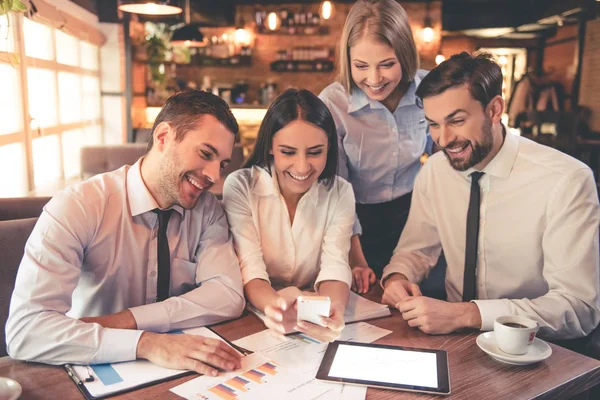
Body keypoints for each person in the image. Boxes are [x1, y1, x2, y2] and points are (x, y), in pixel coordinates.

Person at [6, 90, 246, 376]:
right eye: (206, 154)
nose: (214, 176)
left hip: (180, 368)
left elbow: (228, 295)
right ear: (163, 137)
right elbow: (26, 331)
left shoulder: (207, 211)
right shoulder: (79, 205)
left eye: (222, 164)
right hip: (90, 366)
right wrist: (147, 343)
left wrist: (127, 320)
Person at [381, 52, 600, 340]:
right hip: (452, 339)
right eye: (433, 124)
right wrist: (398, 276)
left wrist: (467, 314)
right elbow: (417, 250)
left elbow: (579, 307)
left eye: (456, 121)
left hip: (538, 347)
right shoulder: (435, 170)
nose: (444, 140)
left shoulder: (567, 180)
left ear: (495, 110)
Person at [319, 0, 437, 294]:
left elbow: (443, 163)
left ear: (405, 56)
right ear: (348, 61)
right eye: (361, 66)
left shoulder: (431, 91)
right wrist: (357, 260)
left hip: (415, 217)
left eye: (387, 64)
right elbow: (336, 188)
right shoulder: (333, 104)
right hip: (354, 222)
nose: (373, 79)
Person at [222, 89, 355, 342]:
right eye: (288, 152)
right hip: (253, 318)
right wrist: (276, 307)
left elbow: (335, 265)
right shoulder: (240, 186)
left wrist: (334, 308)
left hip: (310, 312)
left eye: (315, 152)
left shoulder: (340, 192)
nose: (303, 167)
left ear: (330, 148)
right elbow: (250, 269)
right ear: (270, 146)